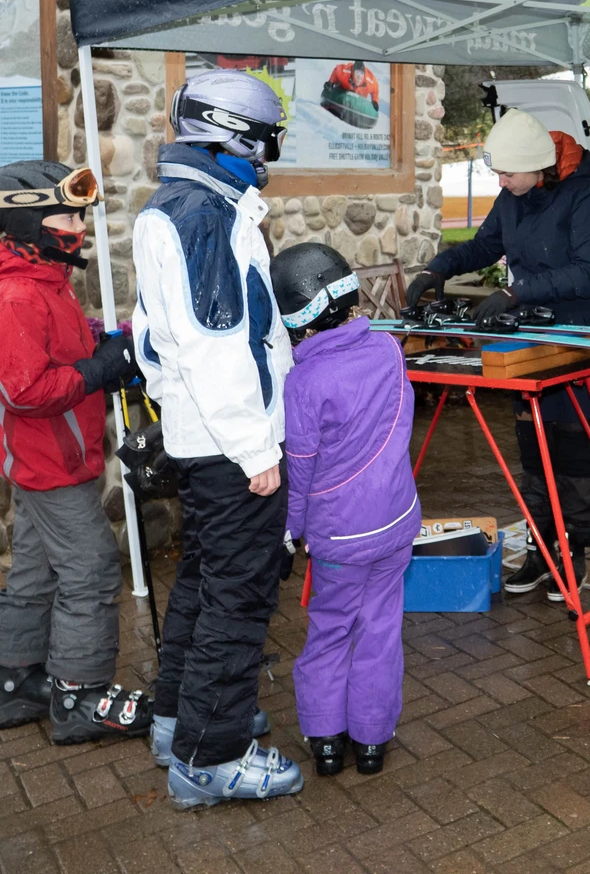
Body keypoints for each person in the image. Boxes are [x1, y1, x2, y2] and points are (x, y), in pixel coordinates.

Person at [133, 70, 303, 807]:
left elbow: (153, 337)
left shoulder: (175, 204)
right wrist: (255, 449)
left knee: (204, 585)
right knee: (238, 599)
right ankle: (212, 757)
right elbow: (216, 344)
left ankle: (180, 722)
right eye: (267, 141)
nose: (269, 156)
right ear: (234, 136)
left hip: (203, 439)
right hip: (233, 447)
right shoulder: (206, 214)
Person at [405, 109, 590, 596]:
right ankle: (540, 547)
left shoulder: (586, 199)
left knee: (575, 457)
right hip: (532, 344)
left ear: (537, 166)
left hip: (582, 345)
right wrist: (438, 268)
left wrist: (516, 292)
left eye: (508, 172)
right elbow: (483, 246)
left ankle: (573, 549)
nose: (501, 181)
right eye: (499, 172)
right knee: (534, 454)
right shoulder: (512, 198)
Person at [0, 161, 151, 742]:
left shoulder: (47, 279)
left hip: (54, 457)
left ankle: (16, 680)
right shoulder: (18, 294)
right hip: (50, 464)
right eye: (66, 217)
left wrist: (104, 344)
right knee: (90, 572)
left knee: (36, 572)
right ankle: (79, 695)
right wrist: (96, 371)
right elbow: (23, 390)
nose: (79, 228)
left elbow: (58, 346)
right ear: (28, 222)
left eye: (80, 216)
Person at [271, 242, 420, 778]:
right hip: (396, 521)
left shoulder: (304, 382)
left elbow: (301, 470)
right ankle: (372, 741)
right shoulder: (388, 350)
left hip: (340, 537)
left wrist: (287, 534)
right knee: (380, 631)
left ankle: (327, 742)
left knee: (331, 629)